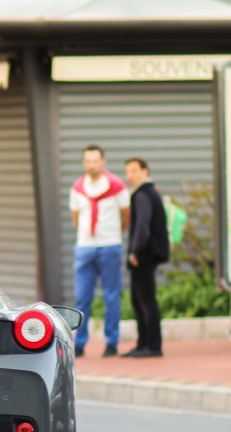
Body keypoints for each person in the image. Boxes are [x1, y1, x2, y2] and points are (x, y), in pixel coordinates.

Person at [69, 144, 130, 358]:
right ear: (84, 163)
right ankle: (80, 342)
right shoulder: (77, 187)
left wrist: (113, 234)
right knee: (82, 297)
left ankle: (111, 341)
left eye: (95, 161)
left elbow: (125, 215)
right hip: (85, 247)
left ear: (103, 162)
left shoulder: (116, 185)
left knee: (111, 295)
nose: (91, 165)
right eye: (88, 161)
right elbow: (76, 217)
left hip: (109, 246)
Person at [123, 157, 170, 358]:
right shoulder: (149, 193)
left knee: (146, 301)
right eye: (128, 171)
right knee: (138, 299)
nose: (130, 175)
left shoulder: (143, 195)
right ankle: (143, 343)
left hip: (143, 257)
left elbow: (142, 227)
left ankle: (152, 345)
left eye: (134, 171)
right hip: (146, 255)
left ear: (144, 171)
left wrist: (134, 252)